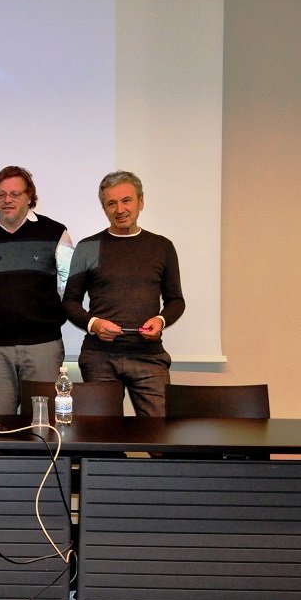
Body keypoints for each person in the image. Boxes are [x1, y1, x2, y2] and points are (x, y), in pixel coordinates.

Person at [63, 170, 185, 416]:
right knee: (103, 435)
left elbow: (176, 301)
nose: (120, 209)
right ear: (104, 208)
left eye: (126, 200)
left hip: (149, 356)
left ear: (141, 201)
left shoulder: (161, 247)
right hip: (99, 357)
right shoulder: (88, 247)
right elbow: (70, 301)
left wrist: (160, 320)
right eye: (111, 203)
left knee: (159, 432)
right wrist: (94, 324)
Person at [0, 165, 75, 415]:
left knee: (42, 423)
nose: (7, 200)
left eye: (15, 194)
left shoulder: (55, 232)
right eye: (1, 194)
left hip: (43, 346)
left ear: (29, 196)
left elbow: (69, 284)